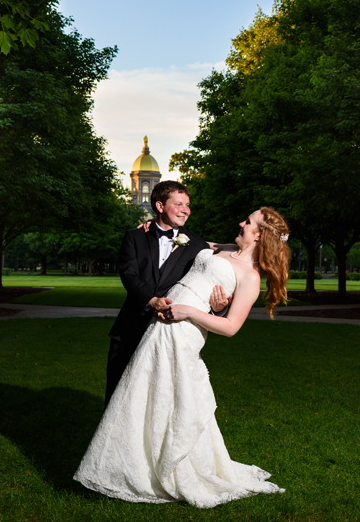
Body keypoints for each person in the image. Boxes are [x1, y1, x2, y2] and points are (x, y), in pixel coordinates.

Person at [74, 207, 291, 508]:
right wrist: (149, 228)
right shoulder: (224, 249)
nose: (240, 222)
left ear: (259, 235)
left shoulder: (251, 277)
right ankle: (134, 461)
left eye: (248, 222)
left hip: (184, 331)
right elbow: (189, 239)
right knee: (145, 391)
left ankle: (169, 466)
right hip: (160, 324)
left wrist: (191, 311)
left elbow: (230, 327)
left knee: (172, 397)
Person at [104, 181, 230, 406]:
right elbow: (129, 275)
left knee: (158, 401)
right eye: (179, 204)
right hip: (129, 328)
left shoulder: (197, 245)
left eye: (188, 205)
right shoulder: (135, 237)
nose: (186, 210)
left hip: (168, 333)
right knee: (116, 396)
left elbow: (203, 282)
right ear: (160, 206)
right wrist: (151, 300)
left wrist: (219, 310)